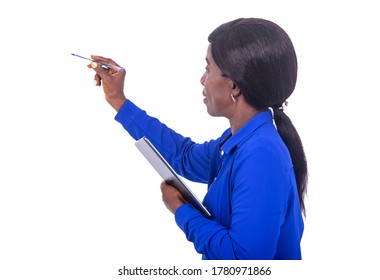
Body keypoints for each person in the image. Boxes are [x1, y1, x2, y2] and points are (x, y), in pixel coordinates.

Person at [87, 18, 308, 260]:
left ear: (234, 86)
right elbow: (184, 156)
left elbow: (246, 261)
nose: (203, 80)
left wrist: (181, 210)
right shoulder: (240, 142)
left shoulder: (261, 154)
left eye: (208, 69)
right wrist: (118, 100)